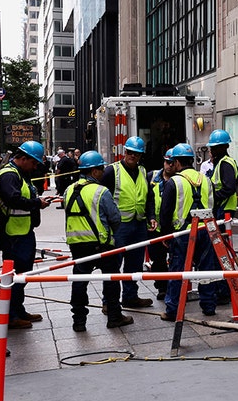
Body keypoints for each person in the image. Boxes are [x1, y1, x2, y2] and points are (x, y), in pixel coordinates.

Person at [64, 151, 133, 332]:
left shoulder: (69, 190)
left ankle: (78, 321)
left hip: (77, 245)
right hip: (101, 244)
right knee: (111, 280)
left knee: (79, 282)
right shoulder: (101, 191)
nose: (103, 172)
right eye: (101, 168)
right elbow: (115, 218)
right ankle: (114, 317)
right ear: (94, 171)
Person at [0, 141, 49, 329]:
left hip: (22, 231)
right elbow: (13, 199)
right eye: (34, 163)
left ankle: (18, 310)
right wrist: (36, 203)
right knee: (15, 275)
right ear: (23, 158)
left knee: (22, 274)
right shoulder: (8, 175)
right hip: (13, 233)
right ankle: (11, 315)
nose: (35, 167)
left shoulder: (20, 174)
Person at [158, 143, 220, 321]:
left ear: (177, 162)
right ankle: (209, 306)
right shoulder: (206, 180)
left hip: (183, 234)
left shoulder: (174, 182)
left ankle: (173, 309)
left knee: (178, 272)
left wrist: (166, 235)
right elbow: (212, 206)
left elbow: (165, 212)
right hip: (206, 230)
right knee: (206, 270)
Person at [101, 136, 157, 308]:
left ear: (141, 156)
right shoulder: (112, 171)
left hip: (138, 223)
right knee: (114, 264)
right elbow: (102, 197)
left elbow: (149, 197)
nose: (133, 156)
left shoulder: (142, 171)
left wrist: (151, 216)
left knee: (134, 263)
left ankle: (130, 296)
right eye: (130, 153)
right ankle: (108, 302)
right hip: (119, 226)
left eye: (137, 154)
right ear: (124, 152)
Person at [207, 129, 238, 304]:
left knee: (220, 253)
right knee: (219, 252)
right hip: (221, 210)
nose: (211, 150)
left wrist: (212, 198)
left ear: (223, 147)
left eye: (214, 147)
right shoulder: (220, 163)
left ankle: (224, 291)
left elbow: (228, 189)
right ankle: (222, 289)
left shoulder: (225, 164)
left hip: (223, 210)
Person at [147, 148, 176, 300]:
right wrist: (151, 217)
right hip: (155, 227)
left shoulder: (179, 180)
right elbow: (148, 200)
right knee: (158, 260)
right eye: (167, 162)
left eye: (172, 163)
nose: (169, 166)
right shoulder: (152, 177)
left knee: (175, 258)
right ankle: (162, 287)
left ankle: (173, 287)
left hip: (173, 226)